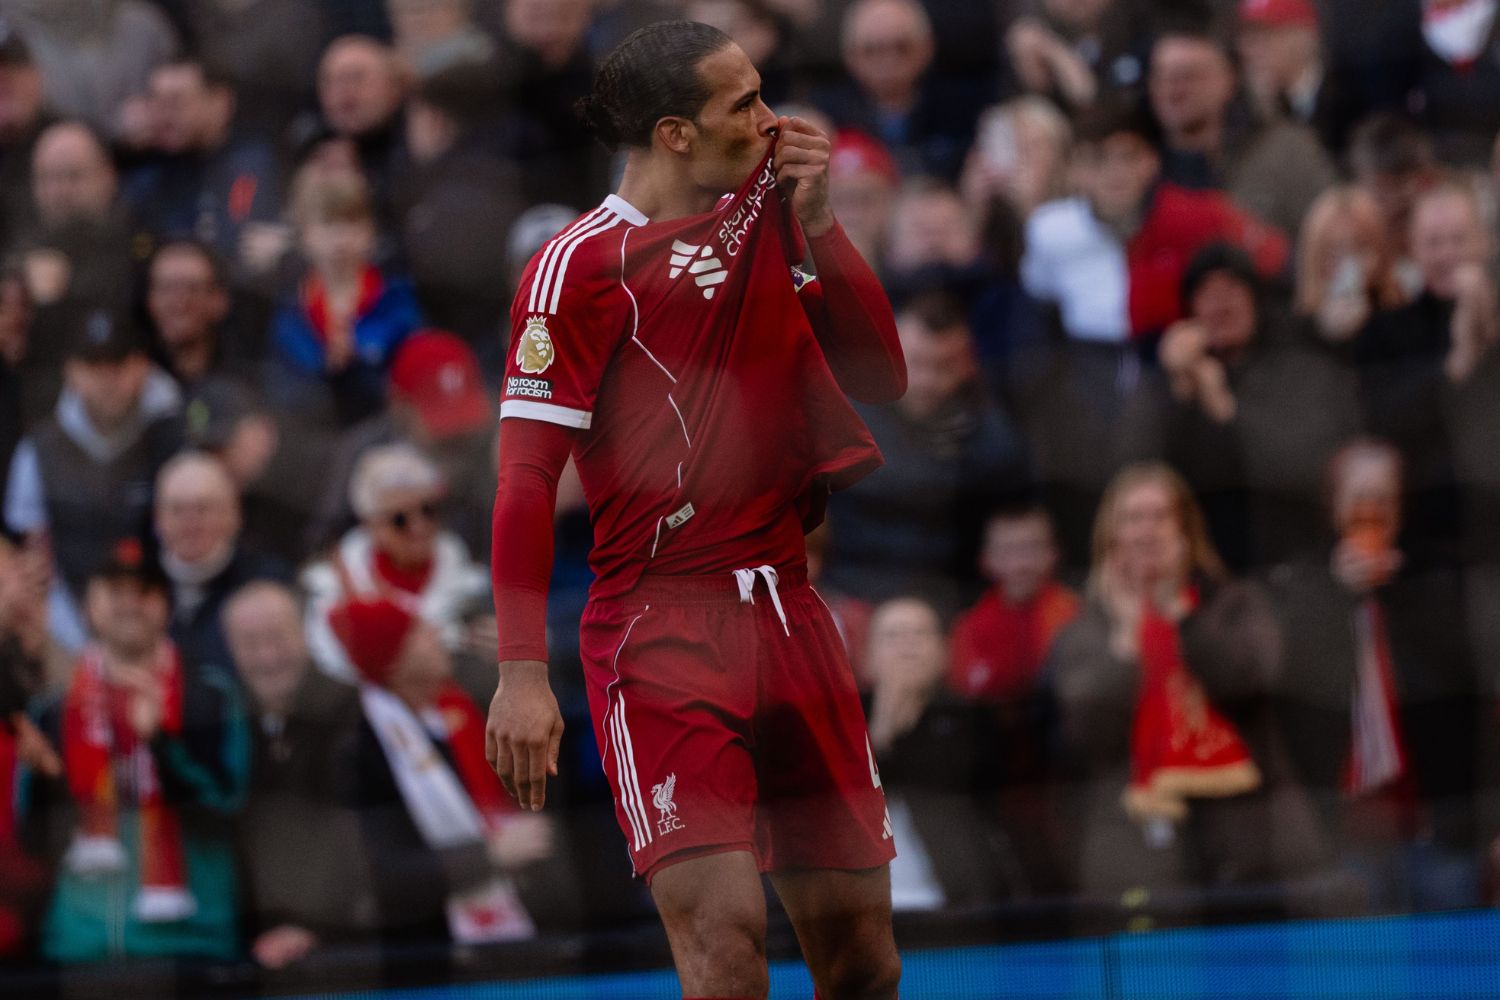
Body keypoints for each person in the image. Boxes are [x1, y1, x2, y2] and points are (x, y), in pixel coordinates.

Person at [486, 22, 906, 1000]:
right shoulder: (575, 269)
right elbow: (522, 478)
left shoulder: (767, 209)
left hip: (792, 612)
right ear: (676, 135)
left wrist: (826, 221)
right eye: (744, 105)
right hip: (659, 630)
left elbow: (881, 376)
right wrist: (519, 674)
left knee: (862, 960)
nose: (772, 122)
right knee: (726, 949)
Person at [1268, 440, 1489, 910]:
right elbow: (1295, 690)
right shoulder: (1303, 589)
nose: (1371, 509)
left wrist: (1400, 595)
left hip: (1441, 827)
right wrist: (1337, 595)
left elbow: (1467, 691)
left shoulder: (1438, 581)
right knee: (1369, 972)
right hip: (1348, 834)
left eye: (1384, 497)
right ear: (1334, 507)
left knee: (1453, 969)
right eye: (1358, 497)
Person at [1048, 463, 1279, 898]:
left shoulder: (1234, 604)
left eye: (1160, 516)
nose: (1147, 531)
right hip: (1132, 845)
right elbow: (1084, 737)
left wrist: (1178, 613)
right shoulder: (1085, 630)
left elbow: (1246, 687)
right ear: (1111, 534)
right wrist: (1126, 640)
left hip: (1240, 834)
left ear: (1185, 529)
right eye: (1133, 518)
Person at [22, 539, 247, 962]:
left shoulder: (209, 696)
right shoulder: (52, 711)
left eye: (143, 592)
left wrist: (161, 743)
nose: (129, 604)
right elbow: (32, 842)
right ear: (88, 605)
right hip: (82, 949)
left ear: (165, 606)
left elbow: (228, 812)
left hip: (190, 947)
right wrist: (40, 777)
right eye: (114, 592)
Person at [333, 593, 553, 947]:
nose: (436, 633)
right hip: (427, 950)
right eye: (419, 631)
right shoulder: (361, 752)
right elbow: (383, 872)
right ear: (393, 661)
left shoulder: (463, 709)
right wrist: (489, 855)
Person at [824, 290, 1029, 613]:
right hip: (851, 591)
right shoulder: (845, 415)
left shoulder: (991, 433)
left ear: (968, 363)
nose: (927, 381)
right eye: (915, 363)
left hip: (953, 601)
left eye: (945, 366)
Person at [4, 307, 182, 652]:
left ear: (143, 365)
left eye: (118, 364)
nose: (107, 379)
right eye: (93, 366)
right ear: (70, 371)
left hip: (164, 627)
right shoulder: (40, 449)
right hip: (69, 631)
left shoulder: (171, 438)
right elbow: (35, 552)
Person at [222, 581, 364, 969]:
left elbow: (361, 838)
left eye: (277, 638)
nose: (267, 657)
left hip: (347, 945)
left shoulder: (353, 712)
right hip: (253, 949)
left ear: (303, 634)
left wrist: (311, 925)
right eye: (251, 643)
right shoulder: (226, 725)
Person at [303, 442, 491, 685]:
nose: (419, 526)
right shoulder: (331, 591)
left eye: (429, 510)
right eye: (399, 519)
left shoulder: (476, 589)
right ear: (371, 524)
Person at [1147, 22, 1336, 239]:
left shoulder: (1287, 150)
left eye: (1189, 76)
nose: (1172, 91)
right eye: (1162, 77)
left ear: (1228, 79)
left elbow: (1332, 233)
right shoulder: (1137, 162)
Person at [268, 167, 423, 427]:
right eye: (328, 224)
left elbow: (416, 377)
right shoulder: (290, 317)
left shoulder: (398, 302)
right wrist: (328, 371)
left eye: (352, 223)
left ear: (371, 231)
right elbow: (284, 396)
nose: (340, 240)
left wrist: (359, 366)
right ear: (304, 235)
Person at [153, 451, 289, 676]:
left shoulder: (270, 582)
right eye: (178, 510)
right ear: (158, 520)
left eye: (203, 508)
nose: (191, 522)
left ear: (234, 514)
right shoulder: (138, 587)